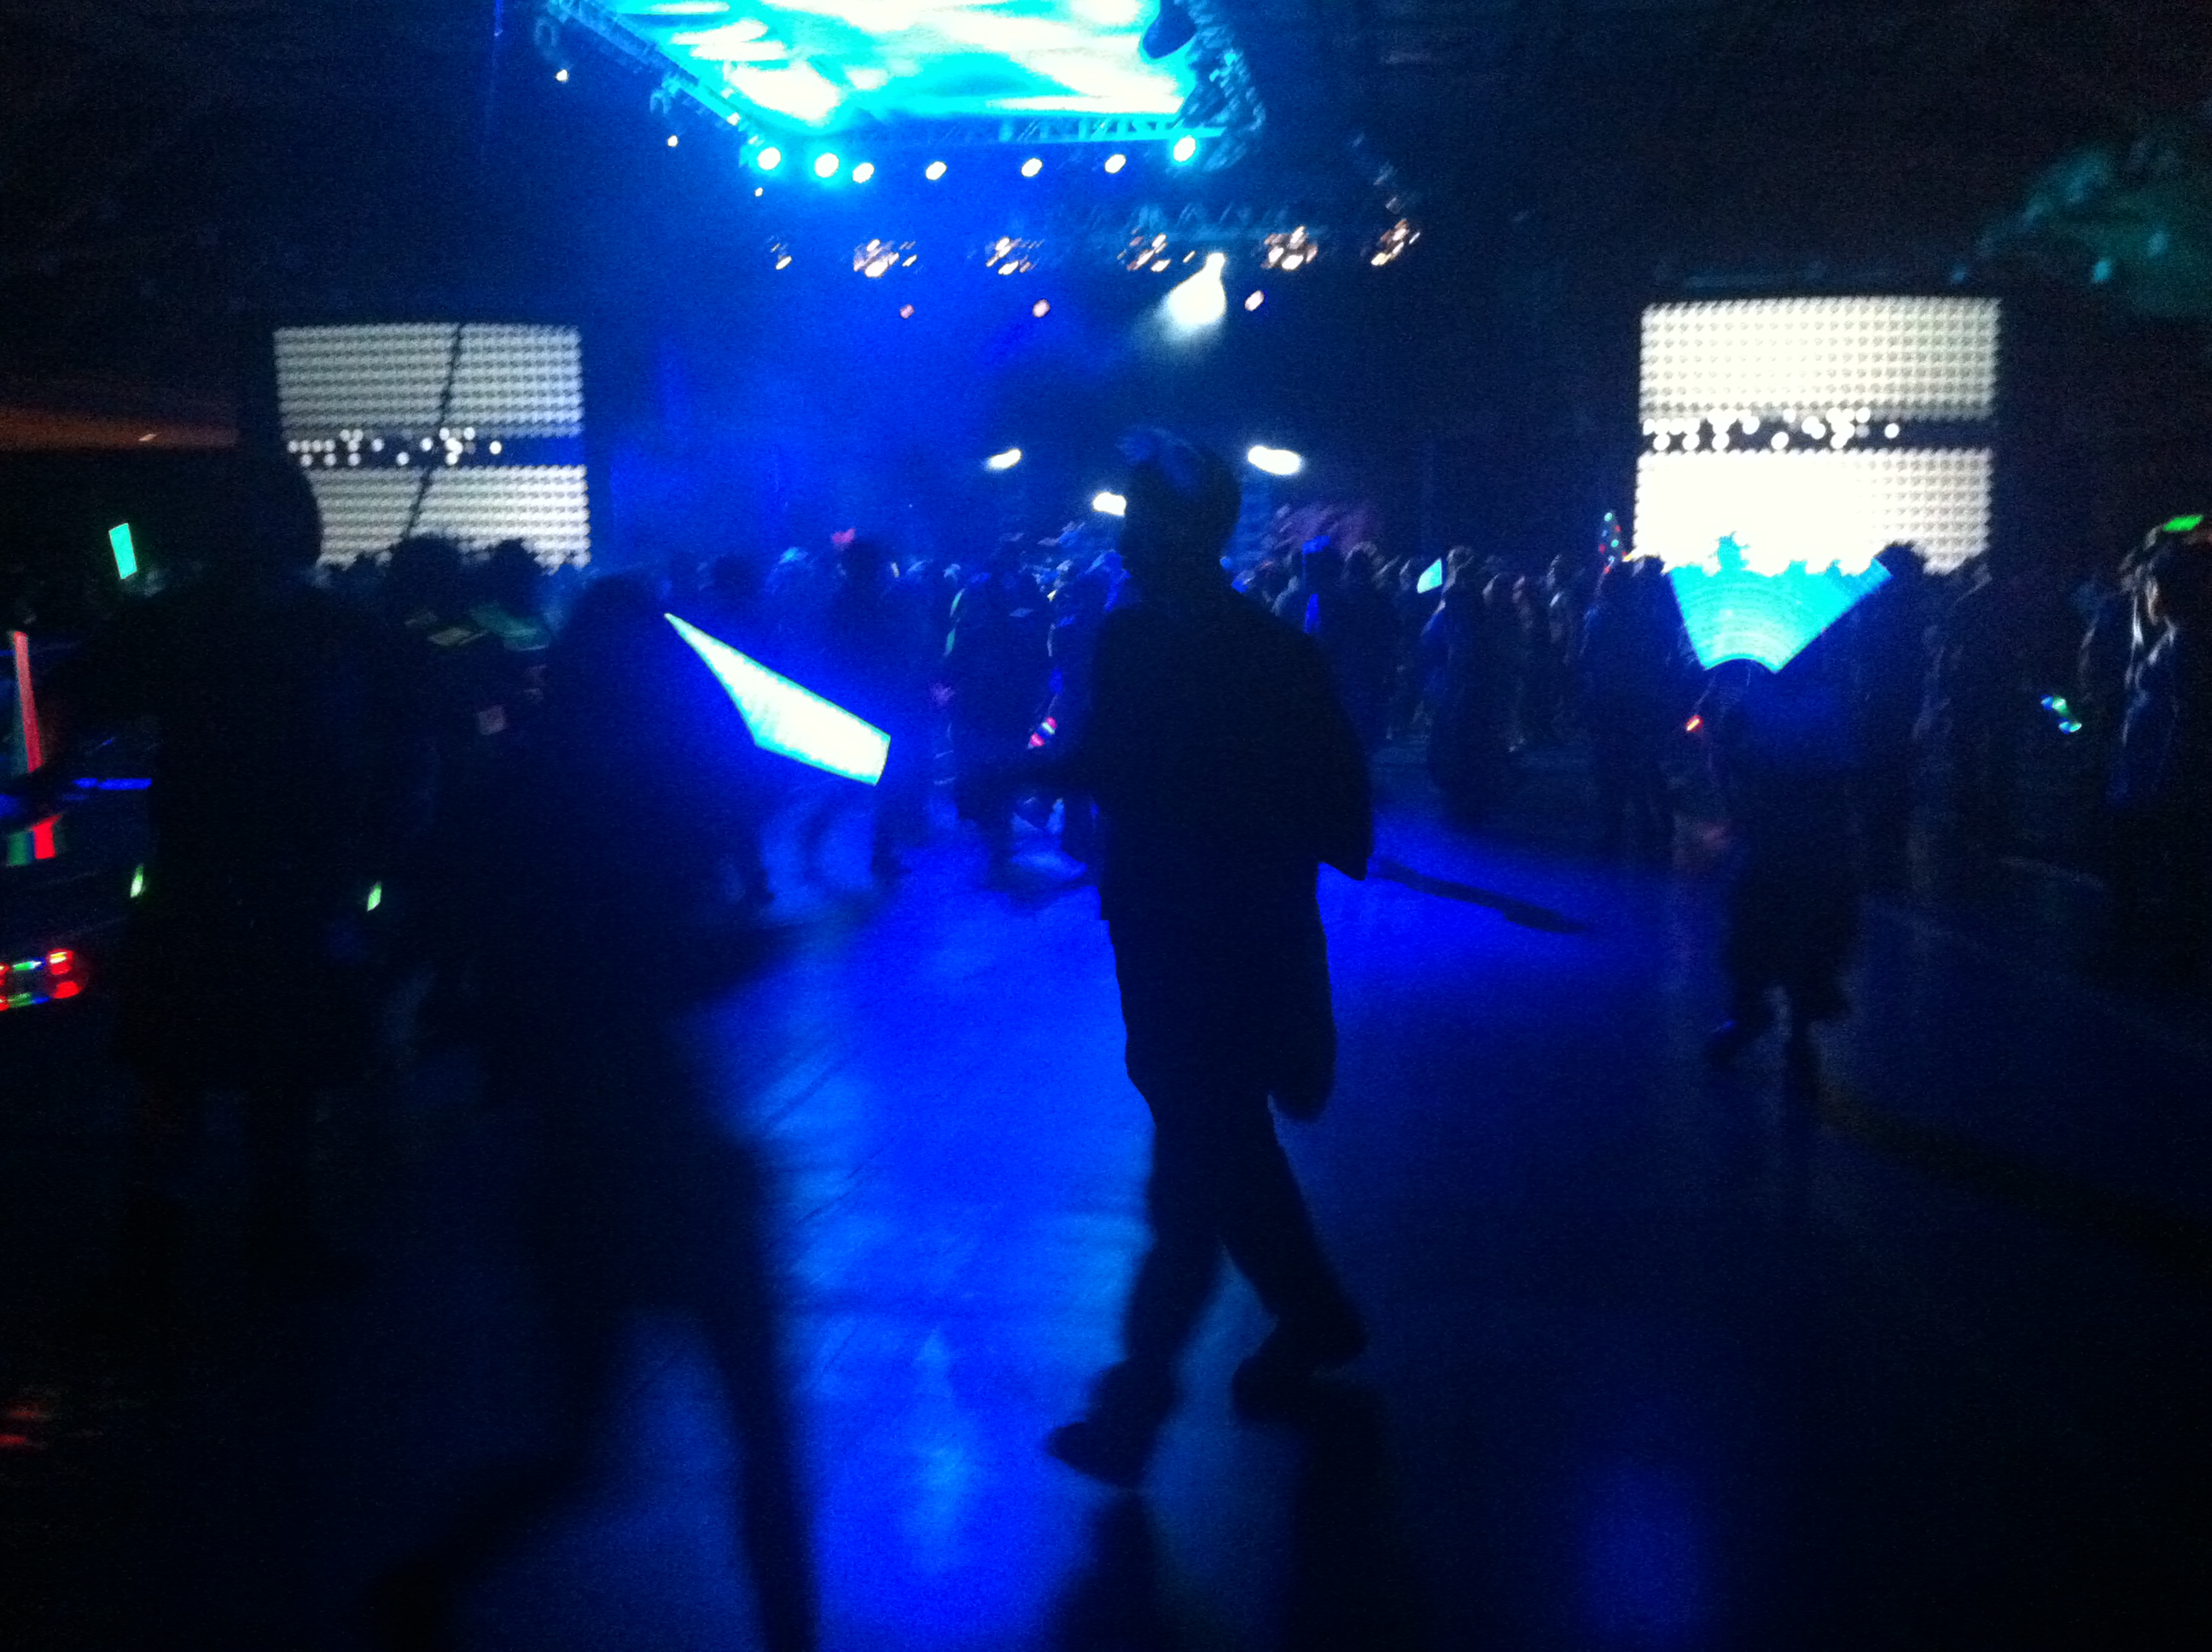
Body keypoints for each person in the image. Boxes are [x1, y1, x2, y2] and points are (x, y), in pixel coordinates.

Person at [372, 575, 816, 1650]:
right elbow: (658, 956)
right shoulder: (647, 798)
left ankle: (423, 1584)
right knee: (762, 1437)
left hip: (575, 1163)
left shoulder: (520, 797)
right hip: (671, 1153)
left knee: (578, 1448)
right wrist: (744, 950)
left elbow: (462, 939)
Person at [4, 451, 429, 1291]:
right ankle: (270, 1227)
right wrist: (389, 835)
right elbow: (405, 739)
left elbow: (69, 696)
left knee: (185, 1062)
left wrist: (48, 780)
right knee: (279, 1061)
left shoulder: (181, 622)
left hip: (206, 871)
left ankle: (159, 1235)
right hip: (291, 877)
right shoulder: (333, 628)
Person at [1045, 430, 1372, 1489]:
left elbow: (1121, 766)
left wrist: (1036, 777)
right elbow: (1339, 811)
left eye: (1142, 522)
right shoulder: (1244, 651)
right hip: (1184, 937)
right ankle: (1312, 1315)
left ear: (1185, 533)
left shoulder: (1171, 645)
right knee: (1221, 1144)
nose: (1125, 542)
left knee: (1197, 1162)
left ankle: (1137, 1403)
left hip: (1212, 945)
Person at [1702, 633, 1862, 1092]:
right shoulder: (1825, 703)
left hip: (1773, 833)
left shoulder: (1754, 704)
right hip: (1815, 836)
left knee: (1754, 923)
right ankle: (1798, 1033)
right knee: (1808, 932)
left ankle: (1750, 1015)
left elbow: (1731, 766)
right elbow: (1842, 773)